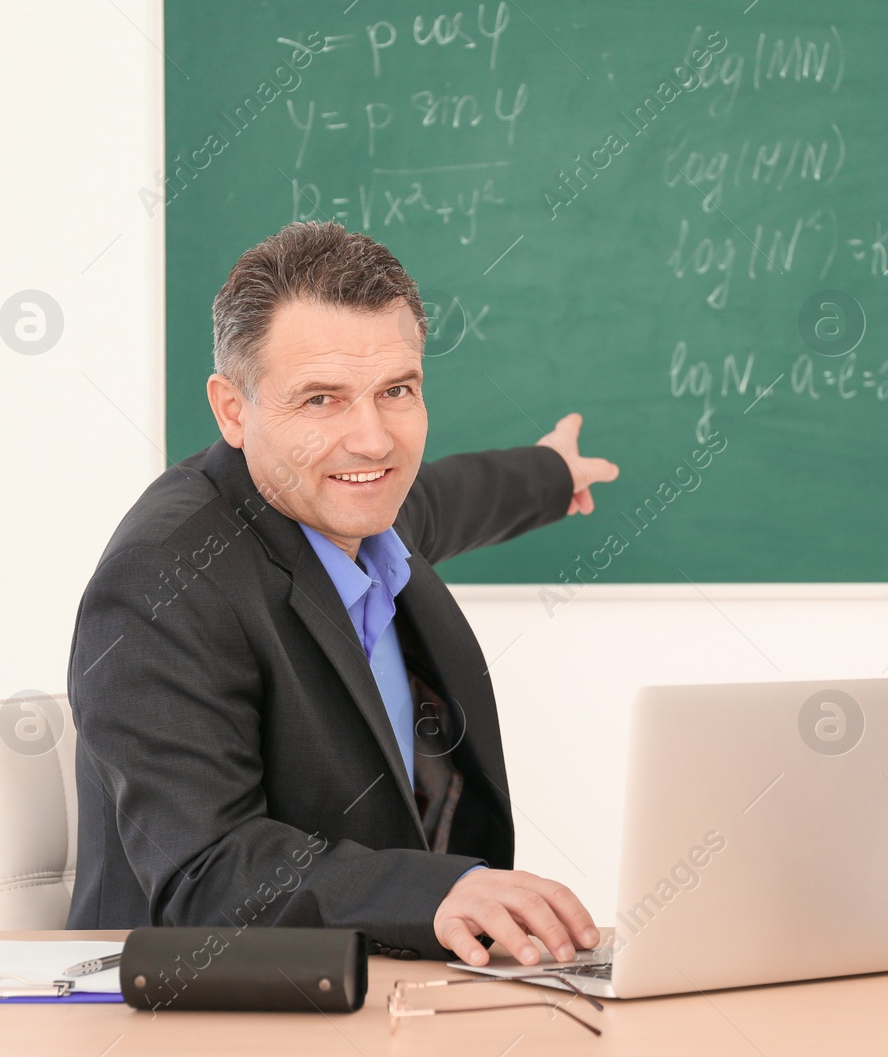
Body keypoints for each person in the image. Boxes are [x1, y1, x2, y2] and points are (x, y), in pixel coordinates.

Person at [66, 222, 618, 966]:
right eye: (321, 399)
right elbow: (206, 871)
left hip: (388, 988)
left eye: (397, 390)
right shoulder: (161, 582)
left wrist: (548, 475)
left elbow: (444, 499)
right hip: (199, 1009)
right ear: (234, 410)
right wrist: (435, 892)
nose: (373, 439)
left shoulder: (350, 505)